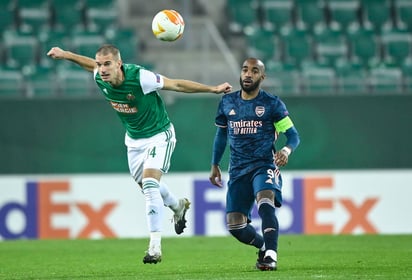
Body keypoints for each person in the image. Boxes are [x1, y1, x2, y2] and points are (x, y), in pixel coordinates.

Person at [47, 44, 232, 264]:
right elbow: (88, 64)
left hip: (159, 135)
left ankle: (154, 247)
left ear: (119, 64)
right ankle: (177, 205)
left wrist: (213, 89)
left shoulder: (140, 78)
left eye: (107, 64)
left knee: (150, 185)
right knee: (146, 184)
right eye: (99, 64)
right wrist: (65, 54)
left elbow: (176, 84)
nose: (102, 69)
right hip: (134, 142)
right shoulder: (99, 77)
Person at [209, 58, 300, 271]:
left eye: (254, 71)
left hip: (264, 165)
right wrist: (215, 164)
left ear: (262, 77)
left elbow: (293, 136)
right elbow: (221, 135)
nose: (248, 74)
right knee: (235, 225)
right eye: (245, 70)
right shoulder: (227, 102)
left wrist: (286, 150)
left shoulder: (272, 104)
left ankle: (271, 255)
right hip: (238, 169)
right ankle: (263, 246)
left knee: (265, 203)